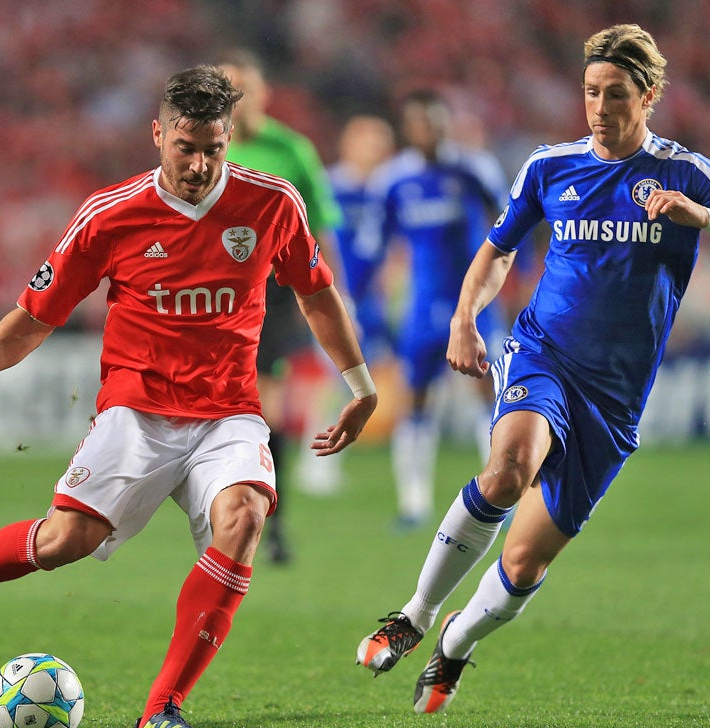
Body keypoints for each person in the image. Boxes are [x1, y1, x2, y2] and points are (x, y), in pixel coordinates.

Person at [0, 65, 377, 728]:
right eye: (186, 147)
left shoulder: (273, 203)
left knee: (244, 516)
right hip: (135, 412)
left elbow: (316, 293)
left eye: (214, 149)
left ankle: (160, 711)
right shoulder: (109, 214)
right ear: (158, 135)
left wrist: (361, 385)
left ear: (229, 140)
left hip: (228, 412)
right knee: (61, 542)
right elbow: (36, 316)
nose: (200, 165)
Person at [355, 23, 710, 715]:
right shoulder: (548, 166)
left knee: (526, 564)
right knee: (507, 468)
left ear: (648, 96)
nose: (598, 106)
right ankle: (414, 614)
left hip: (616, 397)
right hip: (544, 353)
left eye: (615, 93)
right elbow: (500, 248)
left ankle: (456, 642)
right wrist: (465, 319)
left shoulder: (688, 174)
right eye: (590, 91)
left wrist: (704, 218)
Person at [357, 89, 511, 530]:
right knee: (416, 399)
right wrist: (359, 299)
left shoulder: (473, 168)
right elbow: (373, 244)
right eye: (422, 123)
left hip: (476, 303)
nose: (431, 131)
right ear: (409, 129)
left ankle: (502, 491)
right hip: (421, 307)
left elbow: (510, 225)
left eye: (437, 122)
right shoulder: (392, 180)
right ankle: (413, 503)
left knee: (490, 393)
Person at [217, 49, 346, 563]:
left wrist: (332, 298)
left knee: (261, 409)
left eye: (242, 90)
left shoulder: (291, 151)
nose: (233, 102)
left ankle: (272, 524)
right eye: (223, 91)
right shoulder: (204, 150)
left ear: (264, 94)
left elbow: (320, 230)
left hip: (267, 295)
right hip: (202, 297)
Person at [328, 114, 398, 363]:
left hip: (379, 302)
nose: (376, 152)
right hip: (334, 296)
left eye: (381, 146)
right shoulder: (327, 189)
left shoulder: (394, 192)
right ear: (347, 146)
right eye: (369, 145)